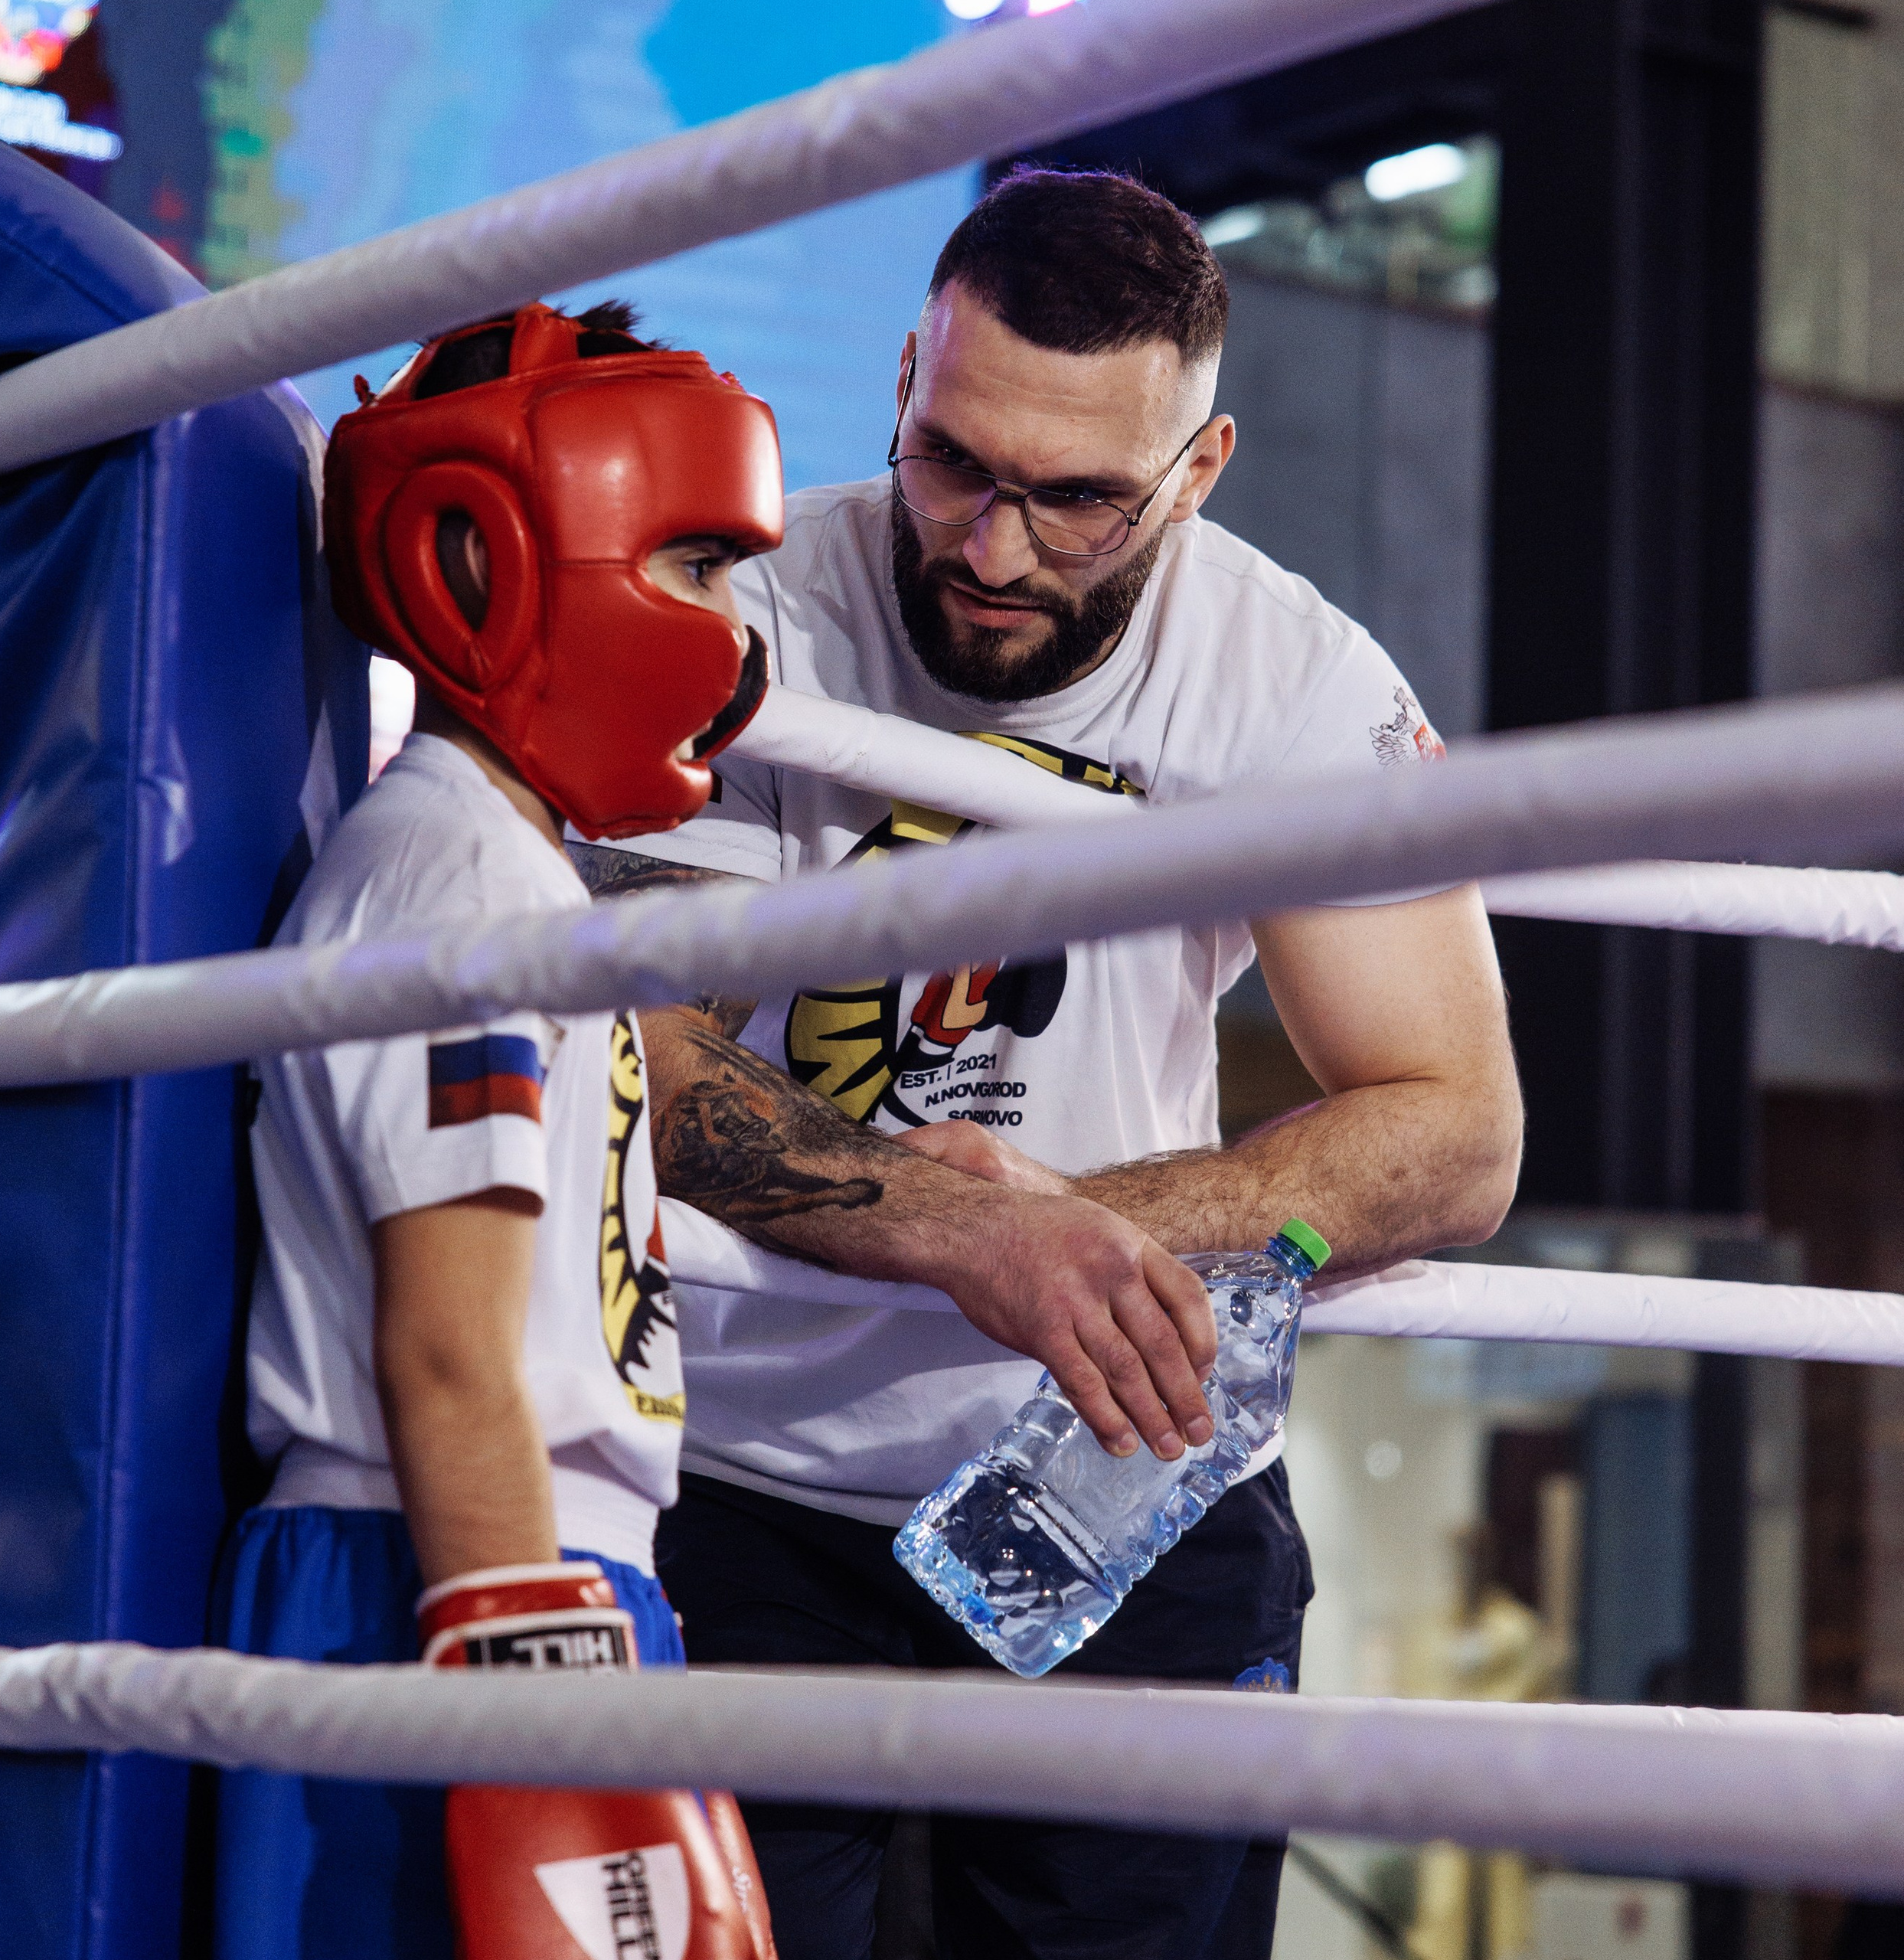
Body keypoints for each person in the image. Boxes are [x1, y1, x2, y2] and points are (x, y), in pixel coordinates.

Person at [571, 171, 1524, 1960]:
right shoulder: (748, 606)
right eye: (952, 460)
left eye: (1074, 496)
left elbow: (1453, 1130)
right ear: (904, 378)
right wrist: (965, 1232)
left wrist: (1072, 1227)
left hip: (1115, 1474)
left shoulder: (1288, 678)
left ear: (1199, 464)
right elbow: (653, 1052)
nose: (988, 547)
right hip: (744, 1473)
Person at [207, 299, 785, 1960]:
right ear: (496, 558)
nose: (728, 634)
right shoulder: (450, 874)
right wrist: (533, 1694)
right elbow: (451, 1349)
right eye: (690, 564)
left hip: (522, 1562)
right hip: (438, 1561)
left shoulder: (507, 869)